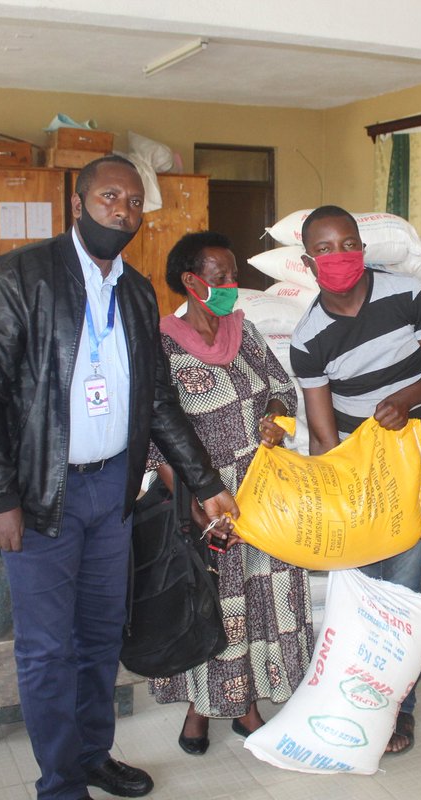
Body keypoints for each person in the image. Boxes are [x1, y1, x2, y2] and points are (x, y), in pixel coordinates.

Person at [0, 155, 239, 800]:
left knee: (101, 636)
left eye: (136, 202)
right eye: (111, 196)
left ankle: (93, 755)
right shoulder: (20, 277)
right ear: (78, 203)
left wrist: (204, 479)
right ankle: (60, 784)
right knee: (47, 649)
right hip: (40, 496)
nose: (124, 210)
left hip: (113, 493)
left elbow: (160, 403)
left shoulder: (137, 294)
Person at [289, 205, 421, 755]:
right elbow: (321, 434)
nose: (339, 257)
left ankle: (399, 707)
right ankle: (357, 692)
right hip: (361, 470)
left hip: (418, 455)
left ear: (362, 247)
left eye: (348, 244)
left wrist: (405, 401)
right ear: (306, 262)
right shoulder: (308, 338)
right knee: (363, 585)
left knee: (402, 583)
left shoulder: (408, 293)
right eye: (325, 248)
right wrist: (334, 499)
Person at [146, 232, 314, 755]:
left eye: (232, 274)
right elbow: (154, 431)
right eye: (217, 277)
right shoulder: (162, 342)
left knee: (261, 601)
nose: (228, 286)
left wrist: (274, 424)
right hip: (204, 496)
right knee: (214, 602)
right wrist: (195, 505)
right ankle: (215, 709)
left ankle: (235, 706)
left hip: (263, 492)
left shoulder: (247, 331)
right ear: (190, 280)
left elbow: (283, 391)